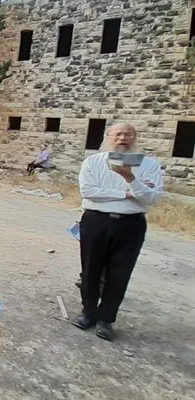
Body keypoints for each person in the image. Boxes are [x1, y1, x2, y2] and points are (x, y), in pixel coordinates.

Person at [74, 123, 162, 341]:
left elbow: (151, 198)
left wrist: (130, 178)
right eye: (118, 134)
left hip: (130, 224)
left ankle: (106, 319)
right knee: (90, 269)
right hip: (96, 221)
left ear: (135, 137)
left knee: (119, 274)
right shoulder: (93, 162)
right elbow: (89, 192)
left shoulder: (149, 165)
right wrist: (127, 193)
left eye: (128, 134)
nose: (123, 138)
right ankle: (88, 313)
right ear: (108, 137)